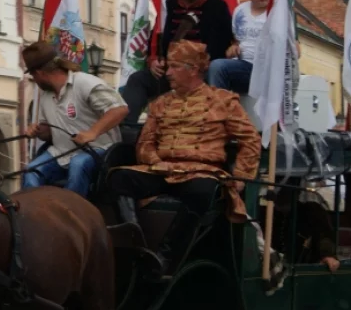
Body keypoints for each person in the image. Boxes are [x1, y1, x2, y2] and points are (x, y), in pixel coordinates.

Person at [107, 40, 266, 273]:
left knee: (202, 191)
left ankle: (166, 257)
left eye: (174, 67)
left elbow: (250, 139)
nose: (168, 72)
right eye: (168, 66)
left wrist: (241, 175)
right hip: (162, 170)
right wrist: (155, 161)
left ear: (193, 69)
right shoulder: (160, 104)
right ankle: (135, 243)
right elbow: (145, 143)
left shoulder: (223, 101)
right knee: (118, 179)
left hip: (201, 172)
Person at [119, 0, 234, 126]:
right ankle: (125, 128)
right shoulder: (169, 6)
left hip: (200, 74)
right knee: (139, 79)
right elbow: (157, 37)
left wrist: (192, 64)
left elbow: (220, 45)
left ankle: (211, 124)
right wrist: (154, 60)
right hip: (170, 71)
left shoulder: (217, 7)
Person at [21, 41, 129, 197]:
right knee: (31, 170)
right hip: (61, 153)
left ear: (39, 73)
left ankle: (71, 214)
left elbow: (120, 109)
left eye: (32, 75)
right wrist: (38, 130)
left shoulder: (85, 83)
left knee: (78, 164)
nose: (34, 79)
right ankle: (36, 213)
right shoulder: (46, 96)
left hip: (100, 150)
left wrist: (92, 133)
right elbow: (49, 133)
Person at [208, 0, 302, 97]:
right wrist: (233, 48)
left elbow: (296, 51)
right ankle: (221, 108)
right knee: (208, 69)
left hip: (268, 70)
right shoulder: (240, 11)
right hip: (244, 66)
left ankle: (219, 109)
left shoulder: (280, 13)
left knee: (218, 67)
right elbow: (237, 40)